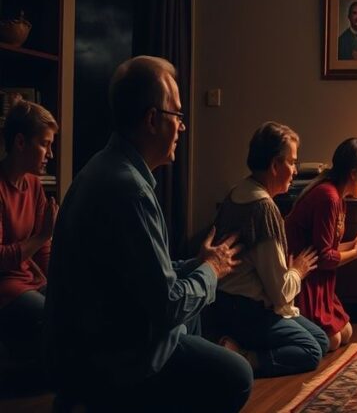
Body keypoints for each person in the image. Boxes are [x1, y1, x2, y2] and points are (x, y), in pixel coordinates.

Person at [45, 56, 253, 411]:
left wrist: (197, 264)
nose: (183, 128)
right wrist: (211, 270)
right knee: (238, 376)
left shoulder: (107, 167)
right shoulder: (130, 190)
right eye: (178, 116)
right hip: (112, 362)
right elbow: (168, 305)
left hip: (88, 349)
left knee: (196, 314)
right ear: (152, 120)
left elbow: (141, 275)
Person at [208, 122, 328, 377]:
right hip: (247, 310)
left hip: (225, 304)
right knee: (311, 350)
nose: (295, 171)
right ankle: (243, 359)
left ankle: (237, 343)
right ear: (275, 165)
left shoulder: (236, 192)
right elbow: (280, 293)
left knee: (322, 339)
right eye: (292, 162)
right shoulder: (263, 209)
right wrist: (298, 270)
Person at [285, 137, 357, 351]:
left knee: (346, 333)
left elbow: (325, 247)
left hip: (320, 278)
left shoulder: (339, 198)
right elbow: (325, 257)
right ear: (354, 174)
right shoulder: (328, 197)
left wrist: (352, 243)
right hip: (306, 277)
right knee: (333, 340)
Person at [0, 100, 58, 373]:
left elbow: (43, 247)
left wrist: (56, 282)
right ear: (20, 142)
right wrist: (44, 235)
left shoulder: (34, 184)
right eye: (45, 144)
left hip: (30, 280)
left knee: (76, 302)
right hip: (6, 287)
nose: (51, 154)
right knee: (55, 315)